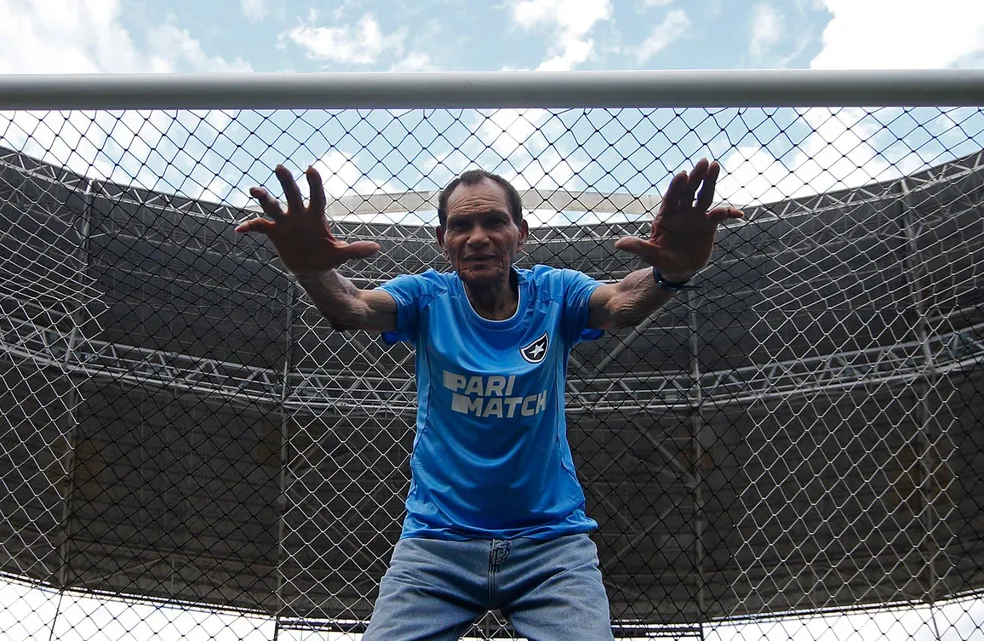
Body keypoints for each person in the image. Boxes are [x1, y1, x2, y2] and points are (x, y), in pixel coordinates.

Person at [236, 159, 743, 640]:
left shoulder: (555, 293)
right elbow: (352, 307)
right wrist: (312, 272)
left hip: (551, 546)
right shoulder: (426, 297)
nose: (477, 237)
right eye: (461, 226)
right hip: (437, 544)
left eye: (494, 222)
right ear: (443, 241)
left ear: (521, 233)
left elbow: (620, 302)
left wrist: (672, 273)